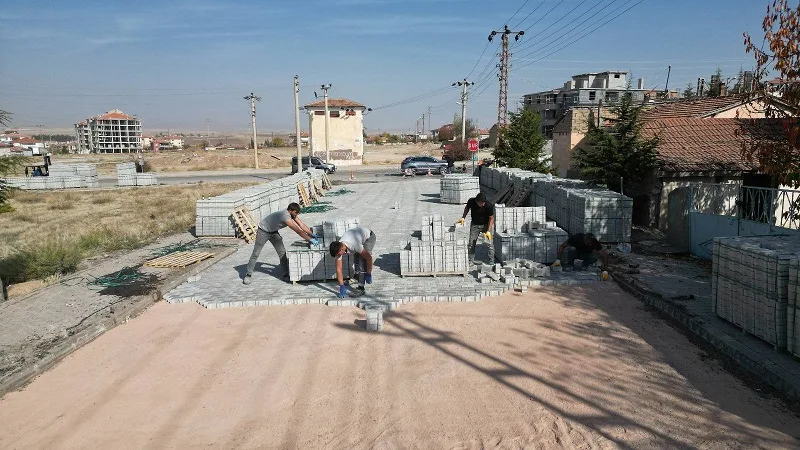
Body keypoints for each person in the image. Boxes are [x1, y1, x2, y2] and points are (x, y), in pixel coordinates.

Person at [243, 203, 318, 284]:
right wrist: (310, 239)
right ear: (291, 210)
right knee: (256, 253)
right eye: (296, 212)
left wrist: (311, 234)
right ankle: (248, 274)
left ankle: (285, 274)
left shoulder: (291, 213)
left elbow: (301, 225)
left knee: (282, 252)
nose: (296, 214)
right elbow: (298, 230)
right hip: (263, 231)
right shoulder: (285, 216)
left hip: (273, 232)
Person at [329, 227, 376, 298]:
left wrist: (369, 273)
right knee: (356, 258)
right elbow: (339, 269)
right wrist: (341, 286)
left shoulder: (353, 245)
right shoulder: (339, 248)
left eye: (338, 254)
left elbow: (368, 257)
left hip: (369, 237)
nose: (338, 256)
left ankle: (361, 287)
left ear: (341, 250)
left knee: (362, 262)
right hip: (357, 237)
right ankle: (357, 278)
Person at [456, 192, 495, 264]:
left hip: (486, 225)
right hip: (475, 225)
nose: (483, 204)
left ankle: (491, 260)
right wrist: (463, 217)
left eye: (484, 202)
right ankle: (471, 260)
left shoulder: (488, 205)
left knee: (490, 244)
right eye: (481, 203)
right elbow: (467, 208)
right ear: (477, 202)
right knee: (471, 244)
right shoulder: (471, 201)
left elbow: (491, 218)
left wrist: (488, 231)